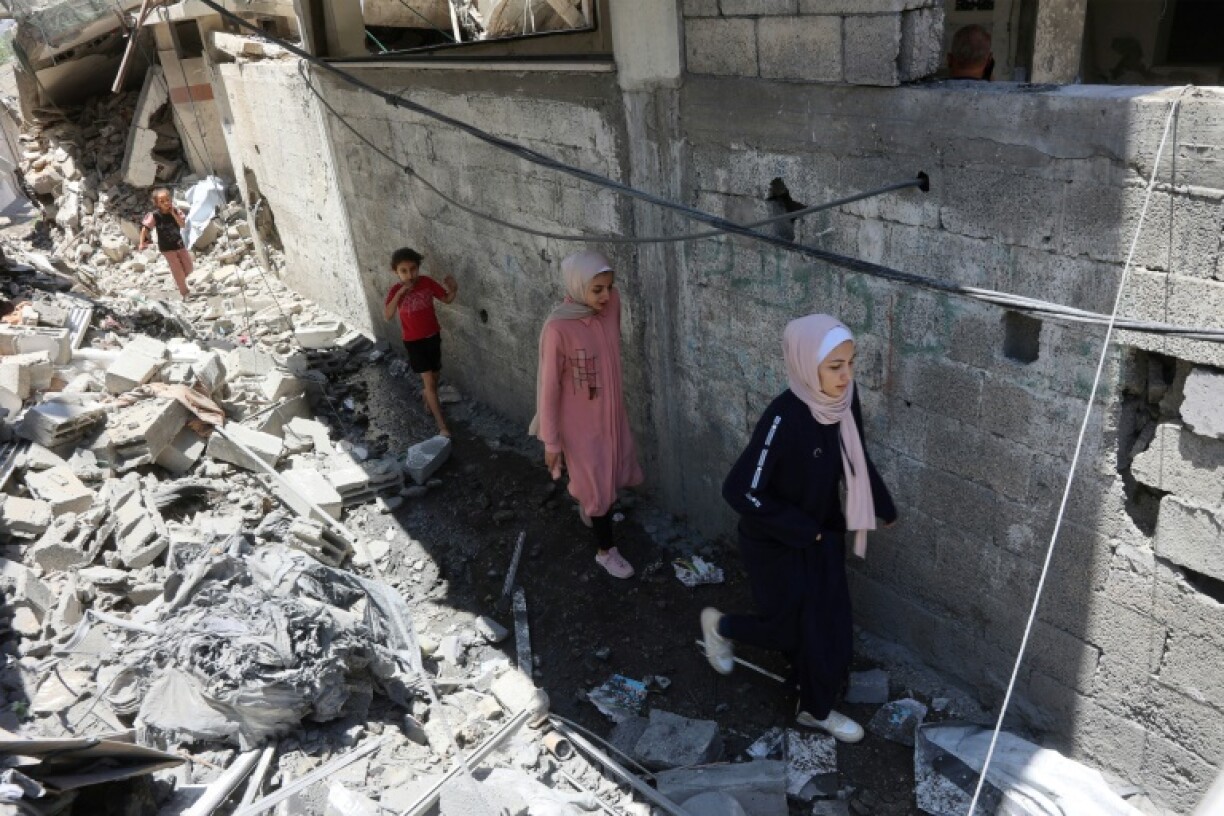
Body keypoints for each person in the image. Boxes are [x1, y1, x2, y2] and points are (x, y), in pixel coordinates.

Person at [700, 315, 898, 743]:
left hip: (822, 535)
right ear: (807, 367)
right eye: (834, 366)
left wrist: (881, 505)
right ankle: (720, 627)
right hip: (774, 542)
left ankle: (814, 709)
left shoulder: (844, 399)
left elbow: (854, 454)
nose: (846, 375)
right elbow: (739, 490)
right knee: (789, 629)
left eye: (851, 362)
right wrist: (801, 527)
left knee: (832, 623)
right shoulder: (783, 419)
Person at [530, 250, 642, 579]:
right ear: (578, 287)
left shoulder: (611, 306)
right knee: (597, 484)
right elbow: (549, 387)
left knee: (610, 471)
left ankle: (592, 507)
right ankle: (606, 551)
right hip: (580, 425)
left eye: (609, 286)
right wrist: (551, 441)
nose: (607, 296)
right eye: (597, 290)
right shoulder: (558, 328)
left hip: (610, 415)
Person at [383, 247, 458, 437]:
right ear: (396, 272)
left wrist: (453, 289)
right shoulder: (395, 291)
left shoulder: (426, 283)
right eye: (404, 271)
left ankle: (427, 395)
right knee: (430, 383)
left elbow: (447, 299)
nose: (409, 275)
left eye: (413, 269)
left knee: (434, 377)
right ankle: (442, 426)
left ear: (418, 268)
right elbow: (387, 316)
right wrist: (400, 294)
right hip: (414, 342)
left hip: (433, 337)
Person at [138, 188, 192, 298]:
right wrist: (142, 242)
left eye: (167, 199)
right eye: (162, 201)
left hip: (179, 244)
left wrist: (173, 214)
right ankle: (184, 292)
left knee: (189, 267)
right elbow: (145, 228)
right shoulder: (155, 215)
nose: (166, 203)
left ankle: (179, 279)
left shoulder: (176, 211)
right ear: (157, 204)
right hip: (167, 248)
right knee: (177, 269)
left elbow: (182, 225)